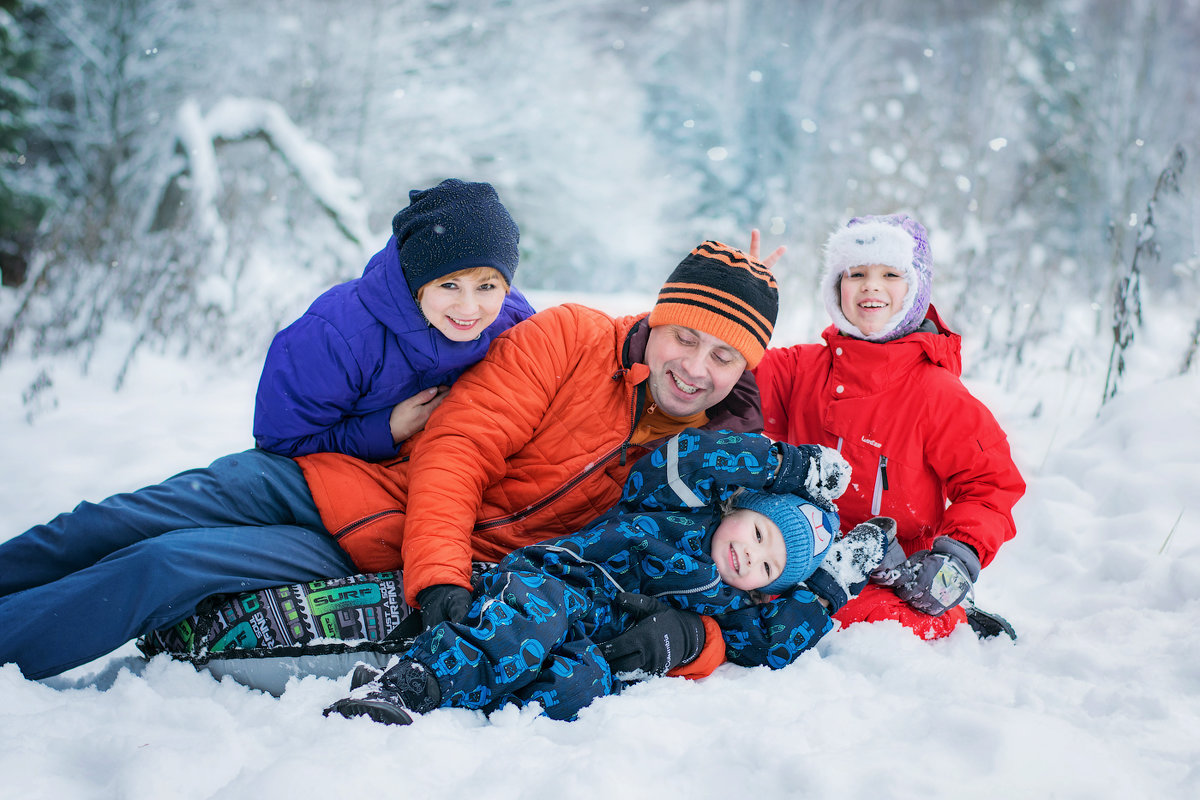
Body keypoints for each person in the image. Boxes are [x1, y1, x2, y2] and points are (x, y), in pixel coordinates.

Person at [0, 240, 778, 680]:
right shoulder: (572, 338)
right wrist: (439, 572)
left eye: (724, 356)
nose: (696, 369)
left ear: (744, 369)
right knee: (113, 518)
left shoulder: (709, 467)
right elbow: (457, 446)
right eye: (686, 337)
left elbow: (730, 593)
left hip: (376, 545)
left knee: (165, 567)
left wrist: (691, 641)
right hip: (360, 483)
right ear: (660, 317)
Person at [323, 427, 890, 725]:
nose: (751, 558)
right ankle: (412, 684)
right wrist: (788, 466)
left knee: (582, 685)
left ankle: (476, 698)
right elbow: (688, 454)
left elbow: (770, 645)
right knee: (528, 627)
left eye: (767, 568)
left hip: (593, 636)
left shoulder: (729, 604)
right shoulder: (677, 505)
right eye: (759, 534)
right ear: (738, 506)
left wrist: (828, 587)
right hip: (557, 584)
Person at [753, 214, 1026, 638]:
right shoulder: (798, 370)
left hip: (894, 577)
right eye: (856, 272)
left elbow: (991, 486)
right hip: (792, 552)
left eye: (890, 274)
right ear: (836, 286)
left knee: (864, 624)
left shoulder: (936, 395)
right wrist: (741, 295)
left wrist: (958, 556)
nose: (871, 286)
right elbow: (727, 369)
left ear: (914, 289)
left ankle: (954, 619)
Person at [253, 177, 535, 461]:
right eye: (449, 285)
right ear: (417, 282)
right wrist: (387, 429)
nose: (469, 308)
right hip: (351, 476)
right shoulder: (335, 334)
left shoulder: (514, 321)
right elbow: (279, 445)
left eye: (486, 287)